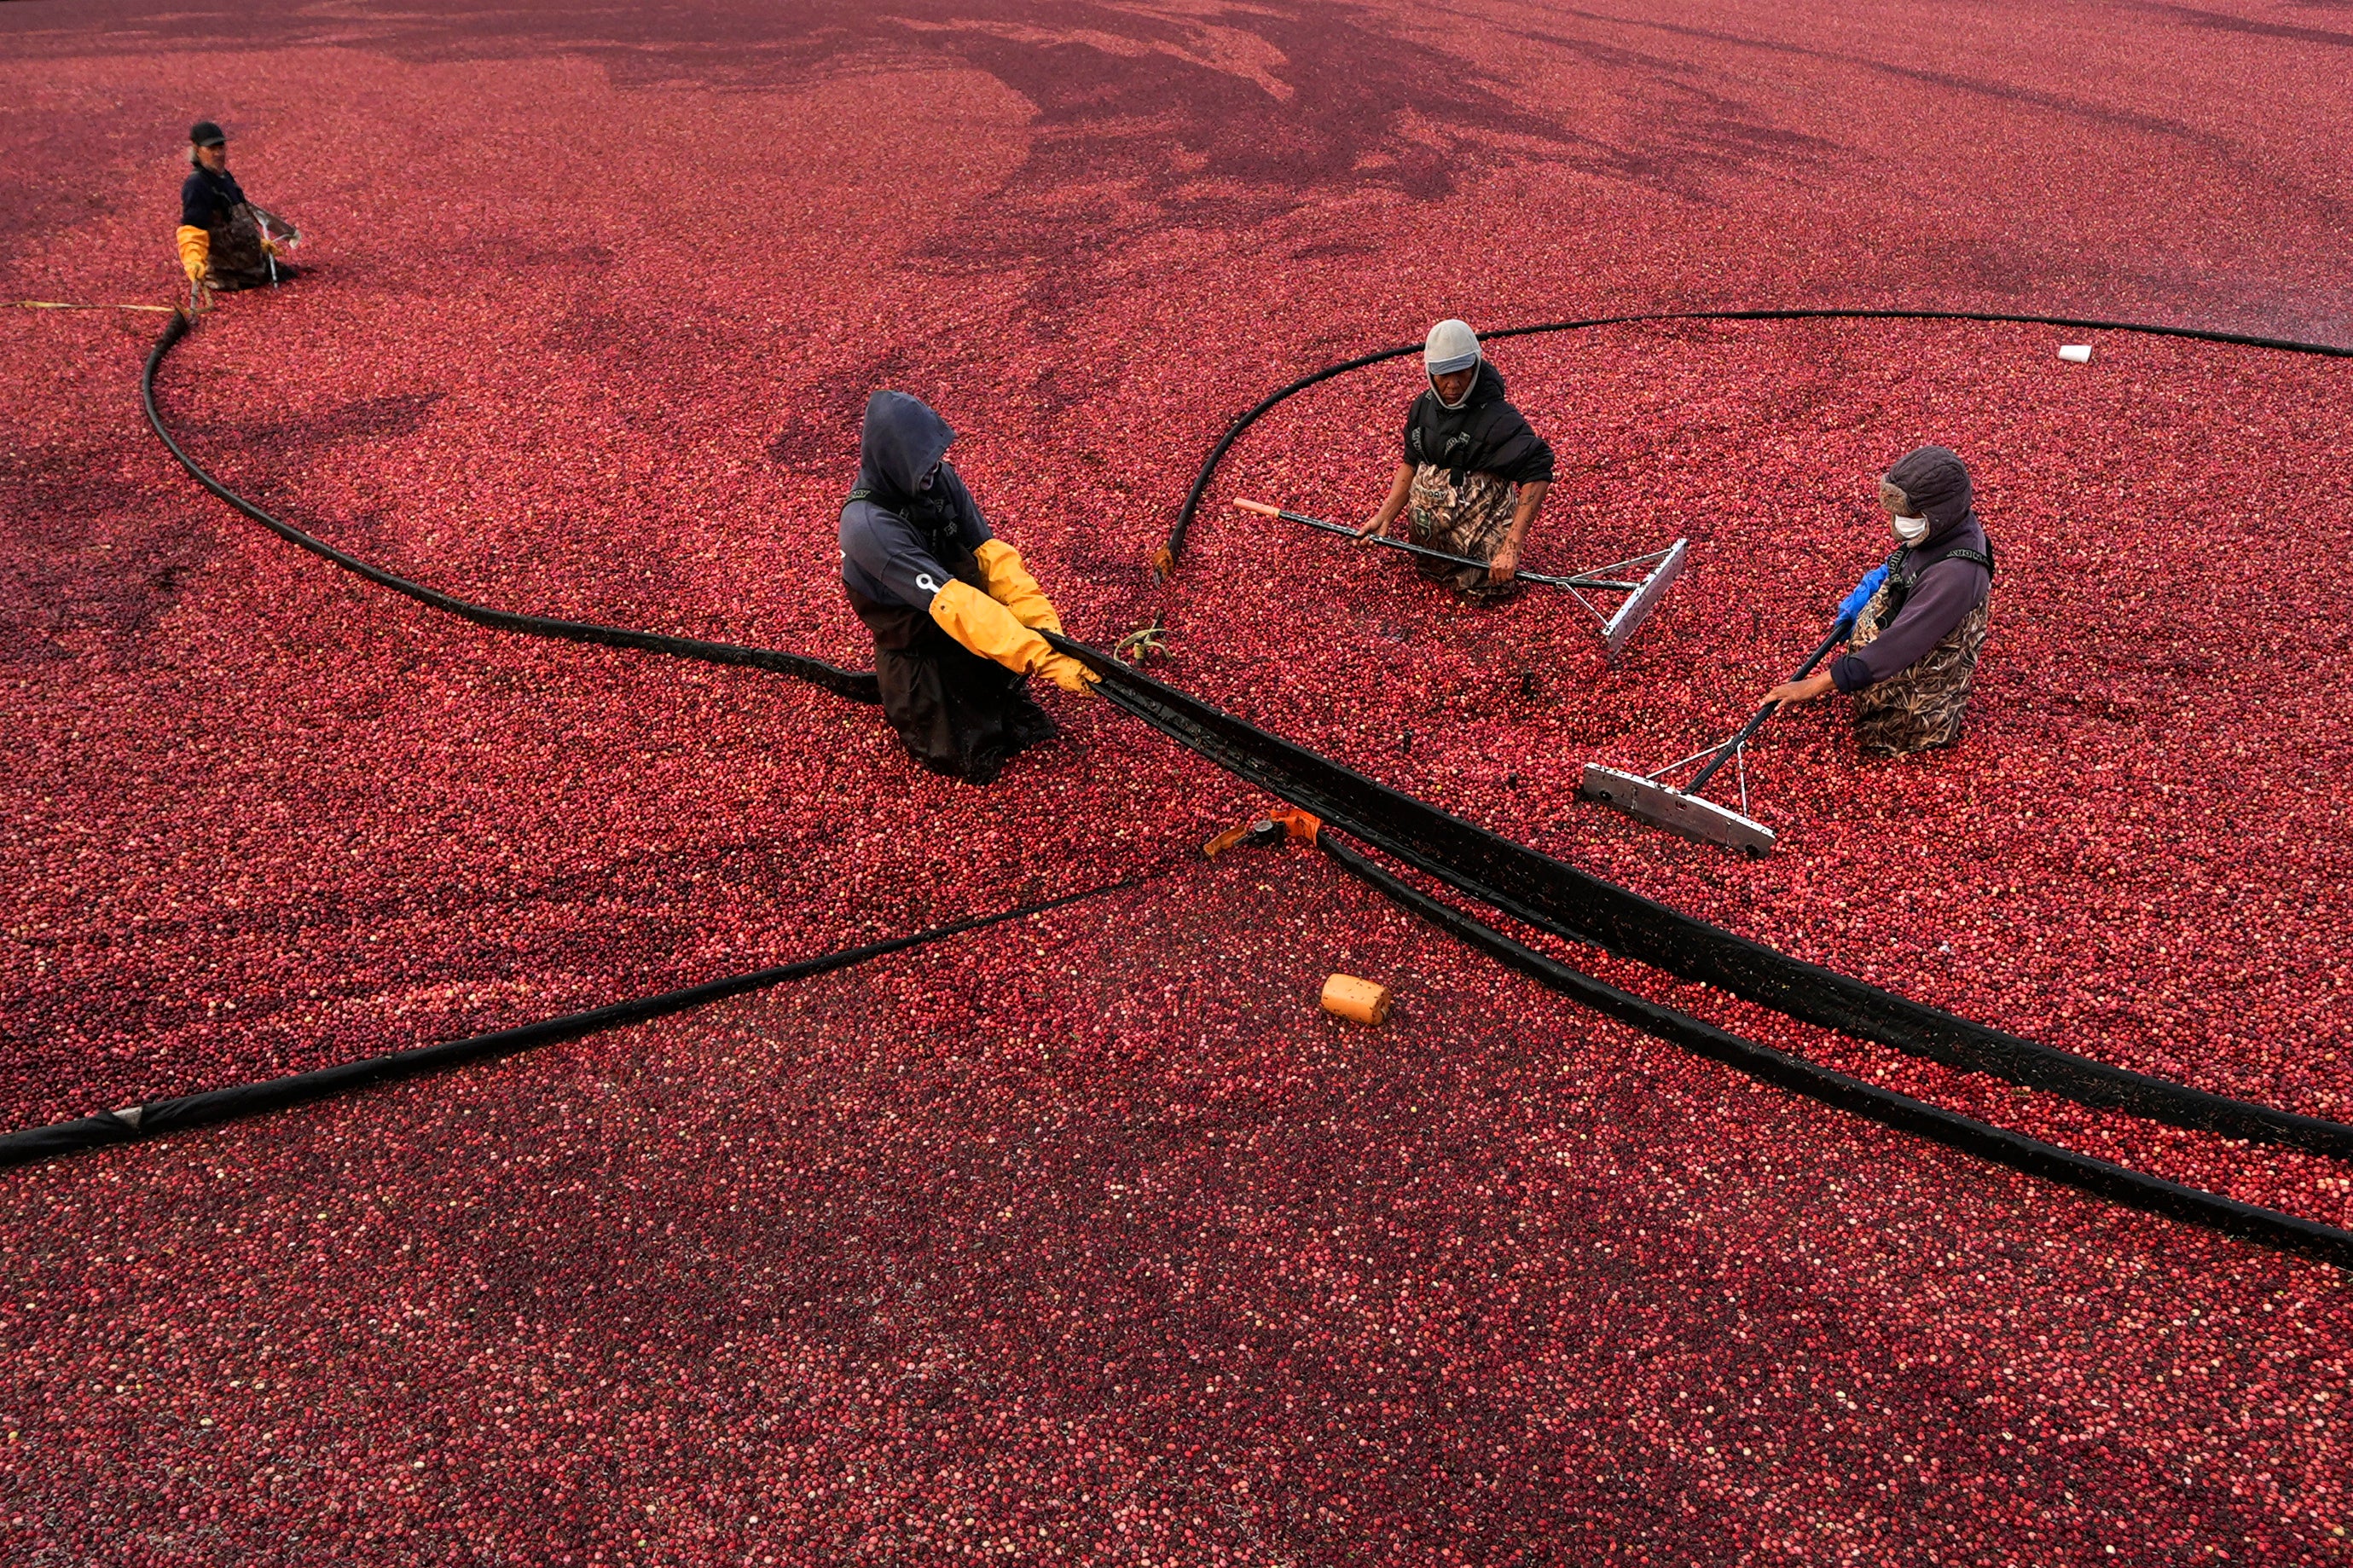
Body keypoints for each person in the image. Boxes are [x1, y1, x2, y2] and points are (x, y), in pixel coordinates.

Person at [838, 391, 1097, 784]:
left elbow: (992, 556)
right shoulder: (867, 526)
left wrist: (1046, 630)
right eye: (920, 463)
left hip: (965, 615)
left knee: (1016, 717)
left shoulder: (941, 479)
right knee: (964, 748)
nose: (932, 470)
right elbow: (952, 604)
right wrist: (1040, 658)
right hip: (918, 642)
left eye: (934, 458)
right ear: (892, 460)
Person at [1765, 445, 1996, 755]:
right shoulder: (1945, 529)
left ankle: (1900, 737)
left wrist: (1813, 685)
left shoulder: (1956, 575)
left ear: (1938, 514)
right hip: (1898, 647)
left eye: (1907, 513)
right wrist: (1875, 585)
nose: (1897, 520)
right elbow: (1912, 561)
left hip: (1916, 699)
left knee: (1894, 728)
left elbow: (1899, 646)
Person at [1356, 318, 1554, 604]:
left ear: (1475, 364)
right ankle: (1437, 558)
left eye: (1462, 372)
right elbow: (1411, 462)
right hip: (1431, 551)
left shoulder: (1499, 420)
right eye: (1443, 374)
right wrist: (1385, 516)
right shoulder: (1423, 407)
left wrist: (1512, 547)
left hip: (1480, 557)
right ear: (1429, 372)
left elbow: (1537, 471)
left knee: (1486, 590)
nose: (1453, 384)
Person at [175, 120, 296, 306]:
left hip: (254, 270)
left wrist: (258, 245)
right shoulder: (197, 185)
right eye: (211, 149)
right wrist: (193, 260)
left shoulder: (225, 177)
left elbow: (239, 217)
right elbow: (192, 228)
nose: (219, 154)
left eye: (221, 147)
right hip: (228, 277)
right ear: (197, 150)